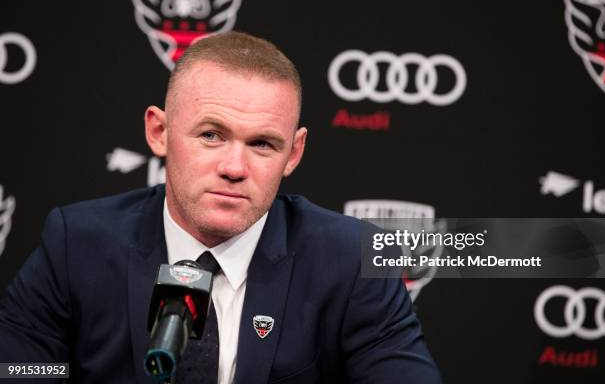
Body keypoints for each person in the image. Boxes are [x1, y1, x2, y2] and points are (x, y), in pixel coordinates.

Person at [0, 31, 442, 383]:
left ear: (293, 153)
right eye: (211, 135)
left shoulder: (349, 262)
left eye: (263, 144)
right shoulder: (77, 246)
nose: (234, 168)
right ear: (159, 131)